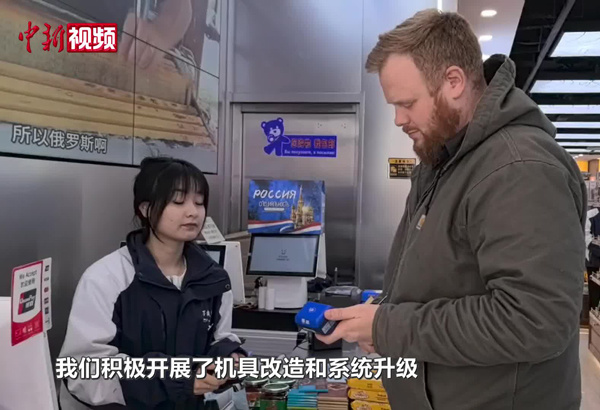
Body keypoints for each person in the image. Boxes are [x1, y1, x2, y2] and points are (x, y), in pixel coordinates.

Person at [317, 9, 586, 410]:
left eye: (407, 103)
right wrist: (381, 318)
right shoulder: (446, 159)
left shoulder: (519, 169)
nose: (398, 119)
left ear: (454, 82)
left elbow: (535, 319)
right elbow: (448, 280)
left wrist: (392, 327)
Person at [58, 156, 246, 409]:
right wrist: (177, 380)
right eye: (178, 201)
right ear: (145, 209)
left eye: (199, 202)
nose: (192, 211)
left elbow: (219, 338)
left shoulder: (213, 278)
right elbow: (83, 372)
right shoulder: (107, 279)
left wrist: (230, 357)